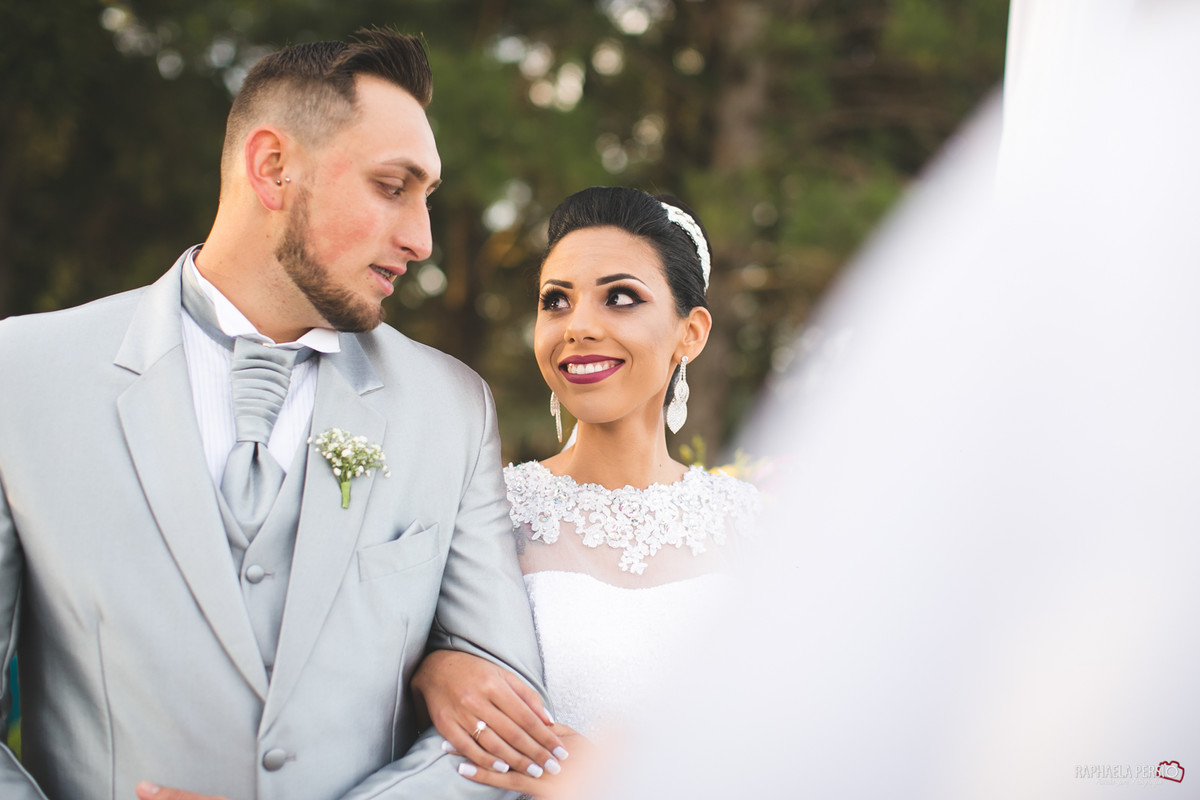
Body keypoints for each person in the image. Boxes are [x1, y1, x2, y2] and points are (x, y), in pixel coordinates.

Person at [0, 29, 556, 800]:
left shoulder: (451, 407)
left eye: (427, 199)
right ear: (273, 167)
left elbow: (505, 705)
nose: (422, 240)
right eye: (393, 187)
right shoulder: (19, 378)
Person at [410, 187, 761, 798]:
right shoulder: (487, 510)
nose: (579, 327)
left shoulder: (751, 527)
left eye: (620, 298)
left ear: (692, 333)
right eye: (556, 302)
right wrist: (430, 672)